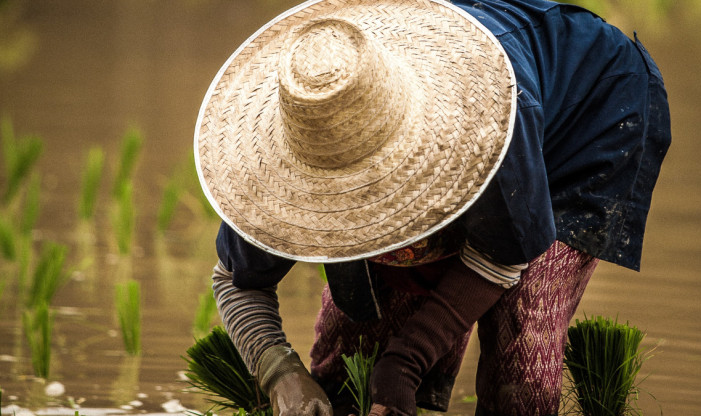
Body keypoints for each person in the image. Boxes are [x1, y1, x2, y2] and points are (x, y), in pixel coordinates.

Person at [193, 0, 670, 415]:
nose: (355, 204)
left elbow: (506, 253)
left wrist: (409, 359)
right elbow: (234, 280)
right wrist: (280, 373)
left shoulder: (485, 127)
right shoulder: (279, 161)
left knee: (521, 362)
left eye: (369, 187)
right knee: (352, 360)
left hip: (582, 122)